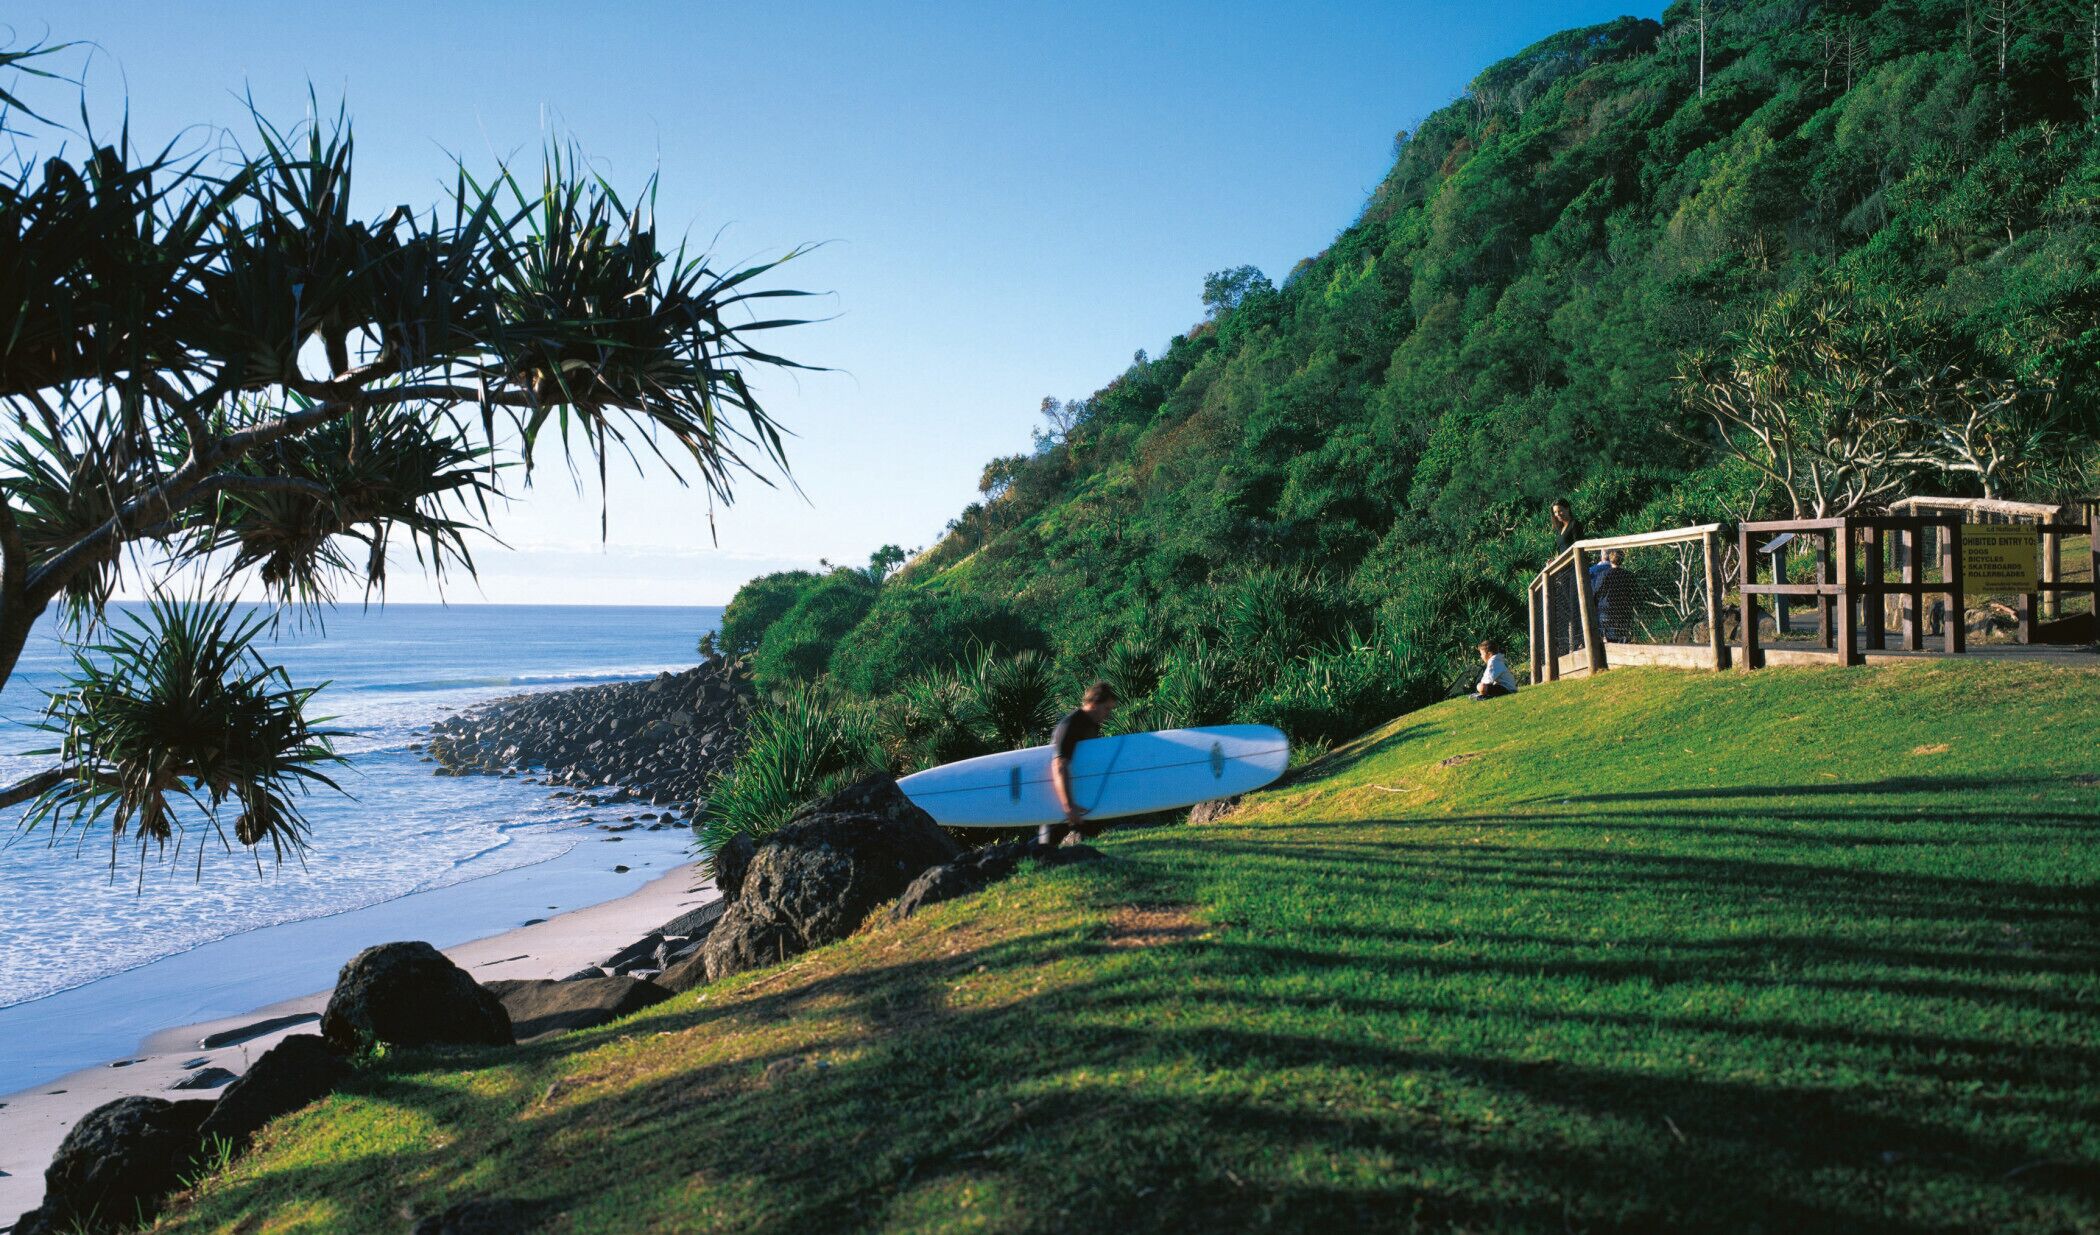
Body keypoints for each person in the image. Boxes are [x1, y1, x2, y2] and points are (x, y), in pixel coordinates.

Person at [1041, 682, 1119, 848]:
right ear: (1093, 703)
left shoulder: (1091, 724)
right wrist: (1068, 806)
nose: (1108, 714)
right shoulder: (1071, 725)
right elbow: (1059, 765)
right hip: (1061, 800)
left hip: (1080, 797)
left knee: (1090, 845)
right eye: (1107, 708)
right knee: (1046, 848)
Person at [1591, 548, 1637, 644]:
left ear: (1610, 558)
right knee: (1622, 638)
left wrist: (1594, 605)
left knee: (1609, 640)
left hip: (1606, 611)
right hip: (1624, 612)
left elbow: (1596, 592)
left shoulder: (1603, 575)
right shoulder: (1628, 575)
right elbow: (1634, 593)